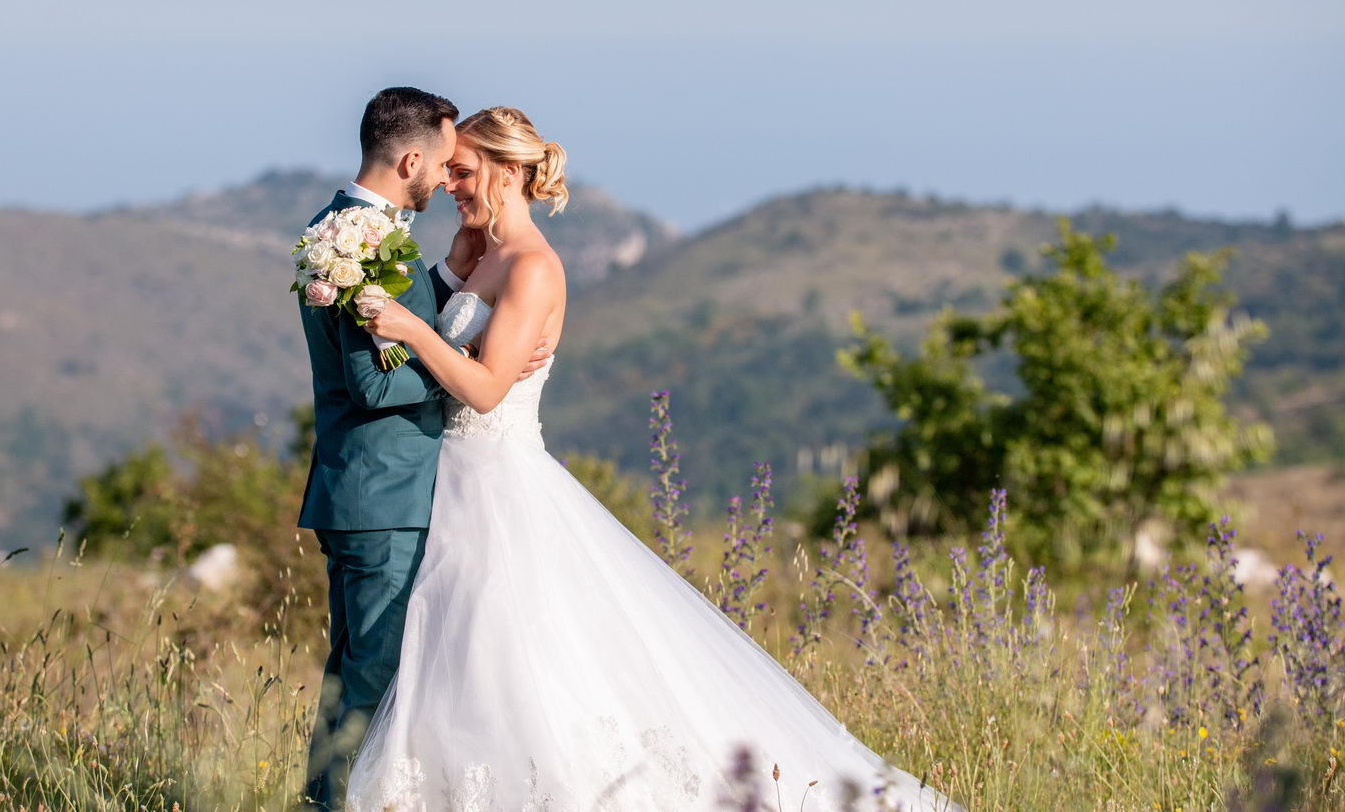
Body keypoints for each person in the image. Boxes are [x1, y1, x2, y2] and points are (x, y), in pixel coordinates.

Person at [350, 106, 963, 812]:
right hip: (449, 484)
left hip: (498, 485)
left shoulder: (534, 268)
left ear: (510, 171)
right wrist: (446, 287)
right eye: (449, 170)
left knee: (510, 662)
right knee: (458, 667)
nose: (451, 183)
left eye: (463, 170)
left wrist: (408, 329)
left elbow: (486, 390)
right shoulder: (481, 252)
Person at [296, 88, 550, 809]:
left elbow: (395, 331)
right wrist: (468, 354)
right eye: (443, 163)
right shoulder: (363, 241)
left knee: (354, 672)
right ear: (411, 158)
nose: (446, 178)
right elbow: (374, 387)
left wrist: (441, 284)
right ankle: (330, 803)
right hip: (383, 491)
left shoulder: (339, 227)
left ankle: (326, 798)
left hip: (364, 486)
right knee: (372, 673)